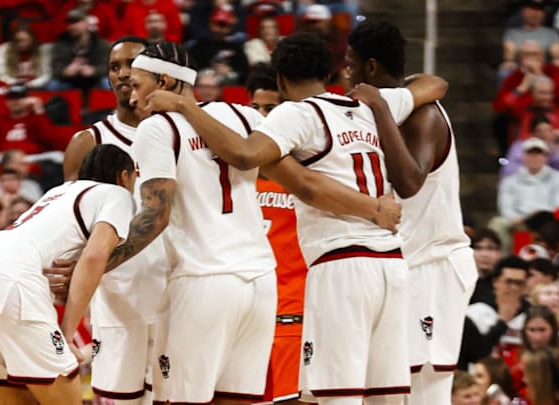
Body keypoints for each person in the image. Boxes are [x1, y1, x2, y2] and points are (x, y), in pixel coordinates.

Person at [142, 33, 447, 404]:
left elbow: (244, 155)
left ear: (281, 81)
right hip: (393, 265)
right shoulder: (367, 105)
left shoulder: (296, 114)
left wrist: (185, 106)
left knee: (339, 396)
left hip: (342, 264)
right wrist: (380, 104)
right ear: (331, 72)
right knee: (388, 396)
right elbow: (436, 84)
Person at [341, 20, 478, 405]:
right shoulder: (402, 101)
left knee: (423, 392)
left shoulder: (424, 116)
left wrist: (381, 108)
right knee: (388, 390)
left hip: (433, 265)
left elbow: (410, 182)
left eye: (350, 64)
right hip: (404, 263)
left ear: (370, 67)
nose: (346, 72)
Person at [0, 144, 138, 405]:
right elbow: (93, 257)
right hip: (10, 281)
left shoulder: (58, 192)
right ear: (125, 176)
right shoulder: (117, 194)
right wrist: (66, 334)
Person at [53, 36, 167, 403]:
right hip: (118, 290)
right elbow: (70, 222)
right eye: (114, 67)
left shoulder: (178, 133)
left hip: (176, 283)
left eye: (130, 64)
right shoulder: (89, 140)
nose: (121, 74)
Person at [245, 68, 305, 404]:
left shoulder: (310, 175)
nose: (264, 117)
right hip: (244, 316)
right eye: (258, 108)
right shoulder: (236, 175)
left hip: (292, 315)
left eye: (272, 108)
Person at [461, 256, 531, 370]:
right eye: (509, 282)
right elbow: (476, 354)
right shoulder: (474, 313)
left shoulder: (533, 315)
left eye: (519, 283)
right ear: (495, 282)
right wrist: (502, 322)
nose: (513, 288)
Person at [500, 0, 559, 81]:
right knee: (504, 72)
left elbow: (557, 55)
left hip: (544, 70)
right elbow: (509, 55)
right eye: (531, 8)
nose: (535, 13)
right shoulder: (512, 33)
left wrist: (557, 61)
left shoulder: (551, 34)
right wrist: (510, 62)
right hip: (520, 70)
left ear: (543, 13)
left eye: (539, 10)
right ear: (523, 11)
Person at [49, 8, 110, 91]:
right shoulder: (62, 44)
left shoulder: (100, 44)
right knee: (53, 84)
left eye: (76, 22)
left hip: (94, 79)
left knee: (106, 82)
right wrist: (65, 71)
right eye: (69, 23)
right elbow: (55, 68)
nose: (72, 26)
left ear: (86, 23)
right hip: (69, 80)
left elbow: (107, 66)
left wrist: (94, 71)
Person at [501, 115, 559, 179]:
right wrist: (533, 169)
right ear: (532, 133)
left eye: (547, 130)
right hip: (526, 181)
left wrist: (554, 153)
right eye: (539, 131)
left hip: (555, 182)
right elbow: (508, 170)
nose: (543, 134)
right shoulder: (519, 146)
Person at [0, 22, 53, 89]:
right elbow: (0, 74)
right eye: (18, 40)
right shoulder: (4, 49)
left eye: (26, 40)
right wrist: (14, 82)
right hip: (12, 87)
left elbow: (47, 75)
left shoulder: (41, 51)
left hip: (38, 87)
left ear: (33, 39)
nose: (22, 44)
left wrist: (32, 84)